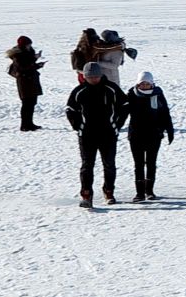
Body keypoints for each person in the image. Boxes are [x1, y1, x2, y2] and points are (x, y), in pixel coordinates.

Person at [65, 62, 128, 207]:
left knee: (109, 164)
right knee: (87, 165)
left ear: (101, 75)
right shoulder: (79, 91)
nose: (94, 79)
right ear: (85, 77)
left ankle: (109, 191)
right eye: (90, 77)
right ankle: (86, 195)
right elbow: (70, 109)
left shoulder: (111, 88)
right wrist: (78, 126)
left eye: (96, 76)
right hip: (87, 134)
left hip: (108, 133)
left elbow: (125, 105)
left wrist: (117, 124)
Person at [125, 72, 174, 201]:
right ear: (138, 84)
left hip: (154, 134)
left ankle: (149, 190)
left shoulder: (157, 94)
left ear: (152, 84)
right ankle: (139, 192)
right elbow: (122, 112)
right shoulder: (131, 95)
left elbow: (165, 113)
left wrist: (169, 129)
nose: (145, 86)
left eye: (147, 83)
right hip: (136, 134)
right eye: (142, 83)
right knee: (139, 164)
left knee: (151, 163)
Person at [6, 36, 45, 131]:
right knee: (27, 103)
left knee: (31, 103)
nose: (30, 46)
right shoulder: (18, 55)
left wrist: (36, 62)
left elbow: (28, 65)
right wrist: (35, 61)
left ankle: (29, 123)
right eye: (28, 45)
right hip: (24, 82)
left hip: (31, 81)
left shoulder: (27, 53)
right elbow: (23, 67)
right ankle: (25, 125)